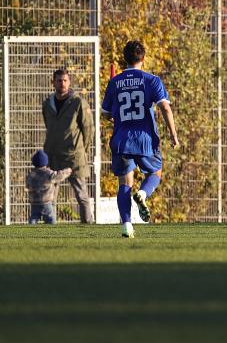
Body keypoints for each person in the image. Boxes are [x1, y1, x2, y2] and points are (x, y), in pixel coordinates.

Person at [101, 40, 179, 238]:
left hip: (121, 139)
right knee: (155, 173)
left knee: (124, 183)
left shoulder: (115, 82)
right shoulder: (152, 80)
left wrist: (115, 114)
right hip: (145, 139)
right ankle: (143, 194)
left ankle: (127, 225)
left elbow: (105, 114)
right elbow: (165, 108)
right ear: (143, 58)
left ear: (124, 59)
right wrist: (173, 135)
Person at [42, 67, 94, 223]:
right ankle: (50, 227)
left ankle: (88, 225)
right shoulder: (47, 103)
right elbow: (48, 124)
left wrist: (81, 150)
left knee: (82, 195)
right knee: (50, 196)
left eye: (65, 80)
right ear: (53, 82)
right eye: (59, 80)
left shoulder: (78, 102)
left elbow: (88, 129)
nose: (62, 83)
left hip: (74, 157)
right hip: (53, 155)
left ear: (69, 82)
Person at [26, 150, 71, 224]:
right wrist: (67, 171)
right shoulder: (48, 173)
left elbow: (28, 185)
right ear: (45, 162)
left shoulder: (31, 174)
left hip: (34, 202)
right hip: (46, 202)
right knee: (50, 219)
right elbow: (59, 175)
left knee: (34, 217)